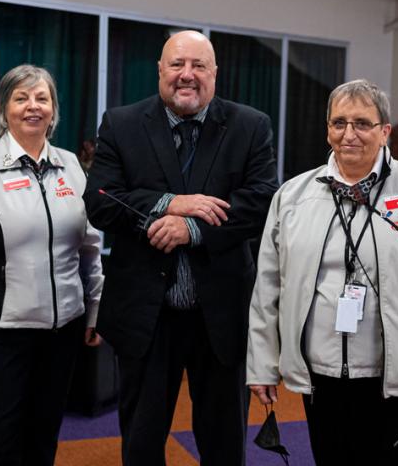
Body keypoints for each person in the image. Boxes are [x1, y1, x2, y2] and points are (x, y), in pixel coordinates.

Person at [247, 79, 398, 465]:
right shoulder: (294, 196)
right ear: (327, 129)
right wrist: (263, 365)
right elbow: (268, 287)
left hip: (393, 376)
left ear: (385, 131)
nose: (349, 134)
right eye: (339, 123)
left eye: (362, 123)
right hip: (321, 375)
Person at [84, 30, 278, 465]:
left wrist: (192, 229)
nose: (186, 75)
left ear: (214, 73)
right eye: (177, 65)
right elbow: (99, 200)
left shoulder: (250, 125)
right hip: (146, 317)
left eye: (198, 66)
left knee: (224, 443)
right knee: (142, 442)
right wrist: (167, 203)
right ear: (160, 71)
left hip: (222, 317)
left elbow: (262, 202)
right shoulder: (122, 123)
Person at [0, 64, 104, 465]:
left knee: (45, 431)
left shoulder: (71, 166)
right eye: (22, 97)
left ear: (53, 109)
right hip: (4, 328)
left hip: (63, 326)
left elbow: (90, 247)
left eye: (42, 98)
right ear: (4, 109)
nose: (33, 106)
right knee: (4, 436)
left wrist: (96, 311)